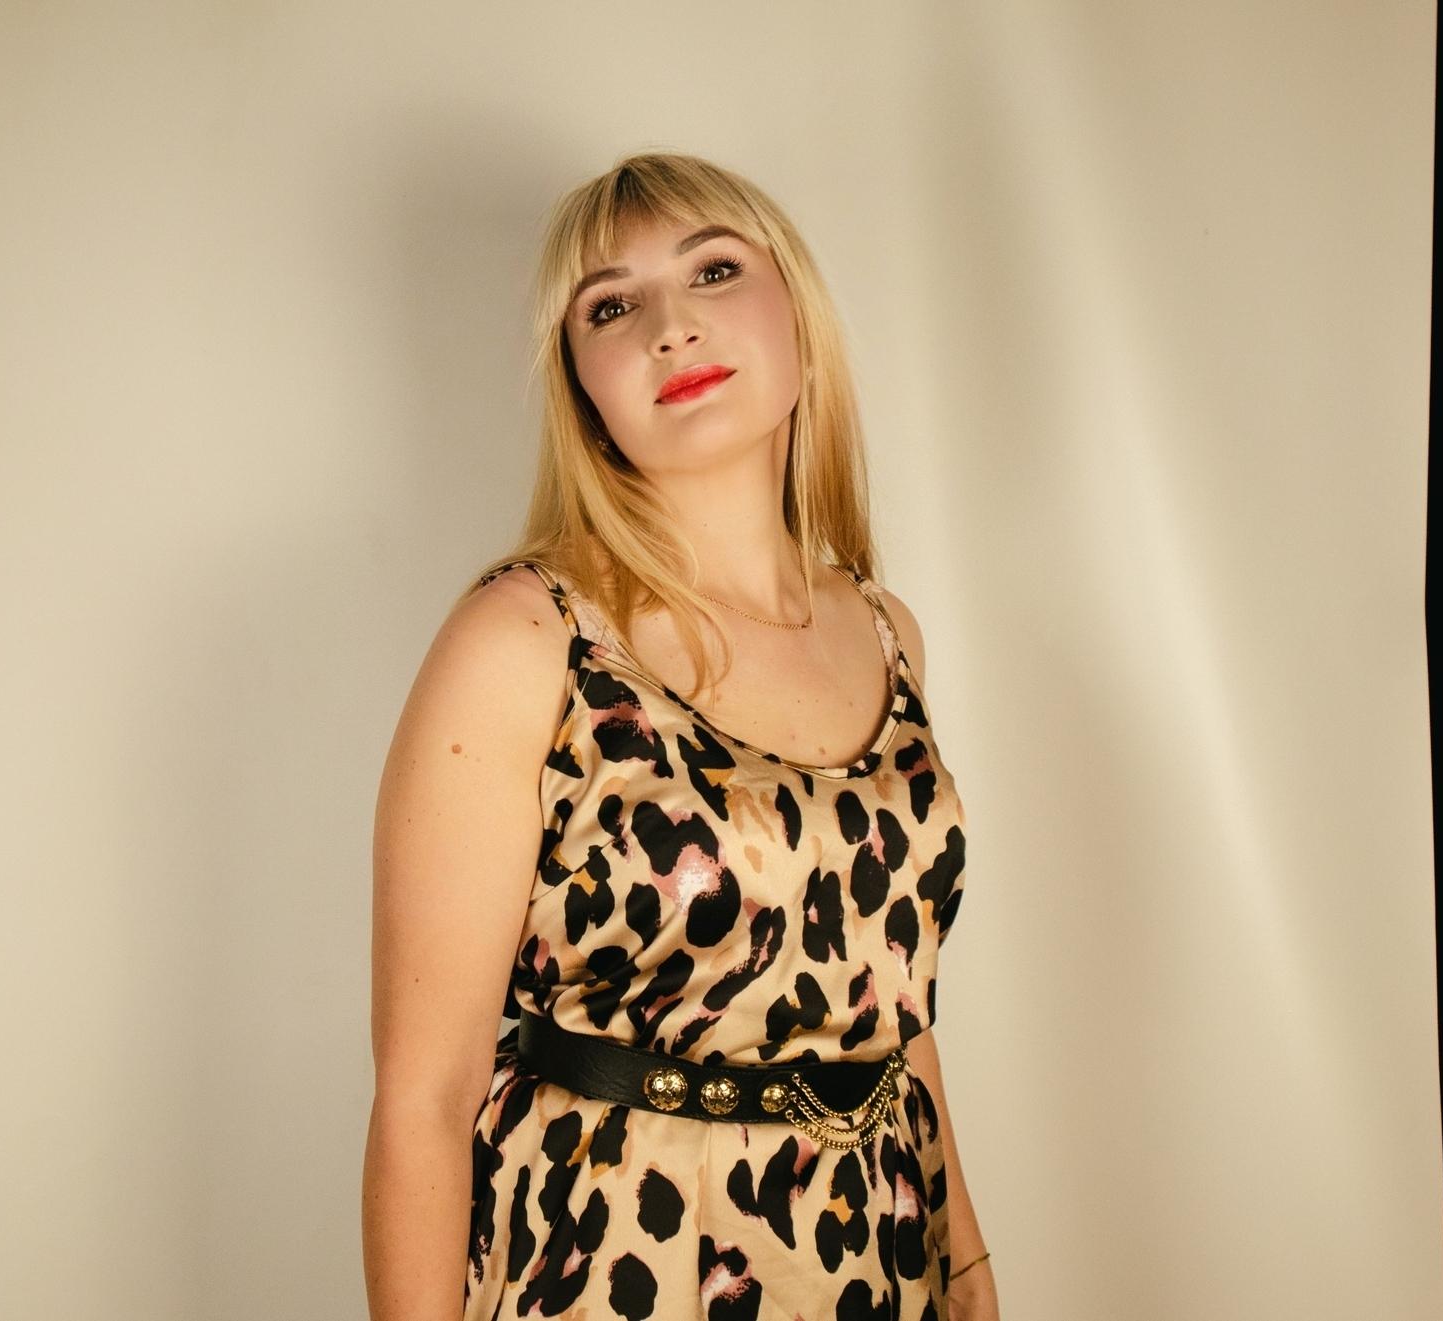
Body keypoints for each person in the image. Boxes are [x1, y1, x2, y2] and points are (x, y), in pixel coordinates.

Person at [362, 151, 997, 1321]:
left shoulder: (884, 630)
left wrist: (964, 1265)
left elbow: (890, 1006)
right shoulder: (525, 638)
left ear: (796, 315)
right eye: (610, 306)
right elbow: (422, 1097)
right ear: (580, 386)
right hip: (616, 1264)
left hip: (875, 1259)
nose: (670, 326)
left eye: (712, 270)